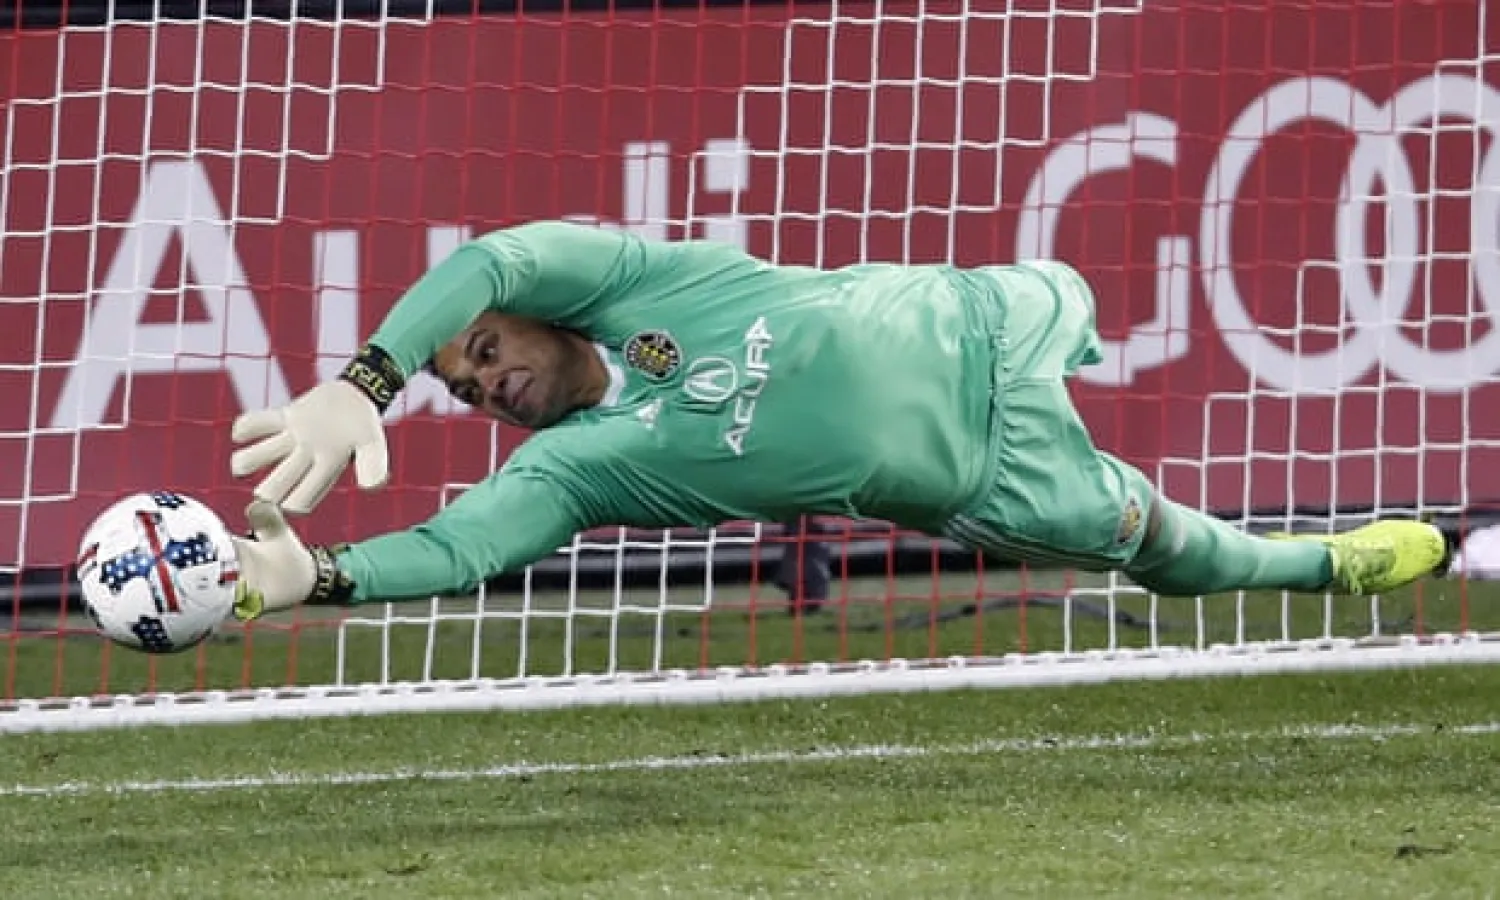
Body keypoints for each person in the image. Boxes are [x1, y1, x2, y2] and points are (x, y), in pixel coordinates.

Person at [225, 221, 1448, 620]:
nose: (487, 379)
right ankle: (1322, 565)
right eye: (468, 385)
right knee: (1168, 551)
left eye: (487, 349)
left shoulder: (638, 281)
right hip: (982, 473)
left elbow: (492, 254)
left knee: (1075, 286)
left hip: (981, 320)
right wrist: (316, 575)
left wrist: (364, 382)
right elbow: (461, 548)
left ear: (545, 320)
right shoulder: (588, 470)